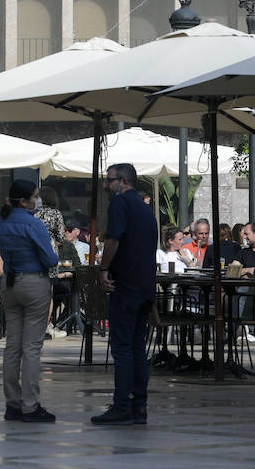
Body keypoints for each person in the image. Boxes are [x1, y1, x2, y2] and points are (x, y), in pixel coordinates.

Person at [93, 161, 159, 426]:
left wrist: (103, 268)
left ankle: (121, 406)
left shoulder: (120, 203)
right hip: (145, 287)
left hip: (126, 286)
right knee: (137, 349)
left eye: (110, 180)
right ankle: (139, 407)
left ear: (125, 182)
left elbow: (113, 239)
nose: (107, 185)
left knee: (121, 349)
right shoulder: (146, 210)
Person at [0, 178, 58, 424]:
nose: (37, 200)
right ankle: (31, 405)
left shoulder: (3, 221)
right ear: (24, 200)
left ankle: (12, 403)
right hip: (34, 283)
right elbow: (50, 259)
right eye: (34, 196)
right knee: (31, 347)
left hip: (9, 283)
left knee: (13, 345)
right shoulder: (33, 224)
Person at [39, 184, 67, 337]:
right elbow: (62, 237)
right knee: (48, 292)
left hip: (34, 254)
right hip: (50, 253)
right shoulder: (55, 214)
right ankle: (45, 327)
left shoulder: (33, 213)